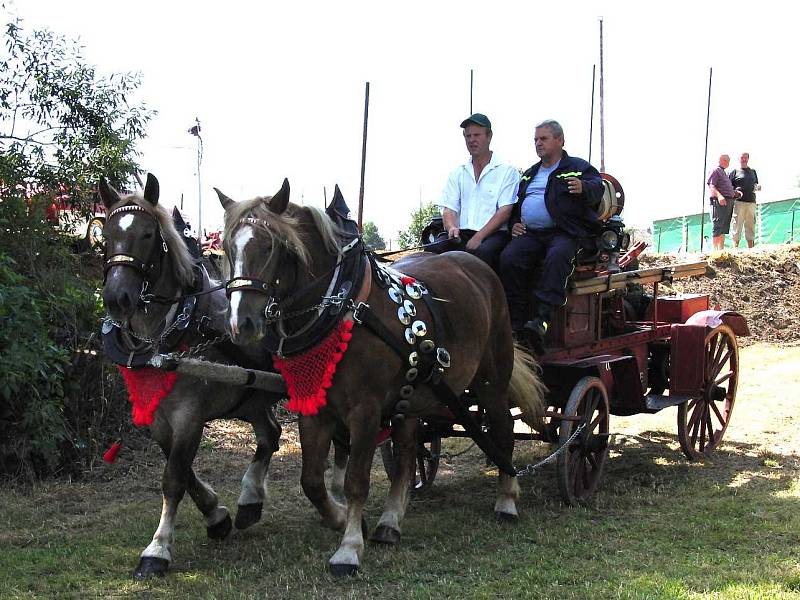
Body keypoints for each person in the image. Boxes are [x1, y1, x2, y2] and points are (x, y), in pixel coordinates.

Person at [498, 119, 604, 348]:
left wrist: (584, 187)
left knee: (558, 256)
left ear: (560, 140)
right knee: (509, 258)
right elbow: (515, 205)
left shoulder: (577, 167)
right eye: (535, 139)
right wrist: (515, 222)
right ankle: (515, 322)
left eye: (543, 138)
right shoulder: (529, 174)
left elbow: (599, 187)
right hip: (532, 234)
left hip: (564, 232)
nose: (538, 143)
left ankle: (541, 320)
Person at [437, 113, 520, 270]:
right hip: (462, 234)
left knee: (483, 253)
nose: (471, 140)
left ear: (489, 136)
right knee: (433, 250)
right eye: (468, 136)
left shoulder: (507, 171)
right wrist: (451, 227)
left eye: (476, 135)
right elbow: (449, 209)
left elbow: (504, 212)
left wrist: (479, 237)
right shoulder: (458, 172)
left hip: (493, 235)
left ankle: (486, 295)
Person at [706, 154, 742, 250]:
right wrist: (719, 196)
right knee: (718, 225)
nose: (728, 163)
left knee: (724, 227)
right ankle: (715, 250)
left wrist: (734, 193)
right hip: (720, 202)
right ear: (722, 160)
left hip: (728, 201)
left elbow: (724, 187)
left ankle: (721, 250)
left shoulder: (724, 173)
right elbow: (712, 186)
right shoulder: (716, 170)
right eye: (727, 161)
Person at [728, 152, 760, 248]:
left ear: (748, 159)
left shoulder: (753, 171)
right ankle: (735, 248)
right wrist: (735, 193)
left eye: (745, 158)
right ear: (739, 159)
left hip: (751, 202)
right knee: (737, 224)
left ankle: (751, 248)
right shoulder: (734, 172)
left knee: (750, 224)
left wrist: (758, 187)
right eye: (742, 158)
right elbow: (729, 187)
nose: (744, 159)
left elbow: (756, 185)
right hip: (739, 202)